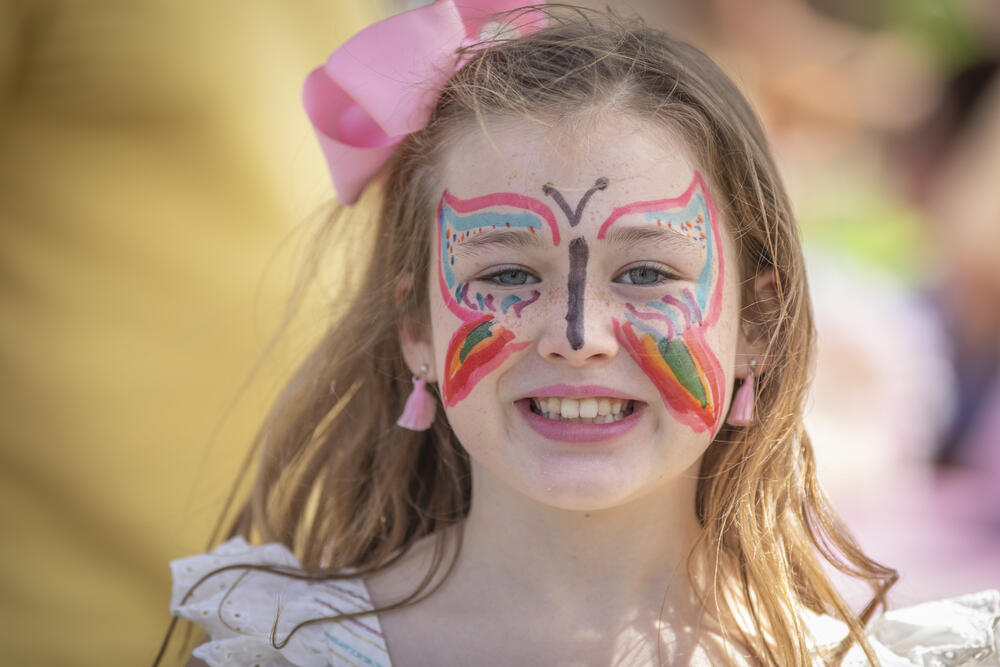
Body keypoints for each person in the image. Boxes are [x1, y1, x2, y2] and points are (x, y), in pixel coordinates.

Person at [163, 3, 999, 665]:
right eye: (505, 274)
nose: (576, 334)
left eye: (645, 273)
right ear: (417, 327)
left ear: (760, 326)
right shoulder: (280, 649)